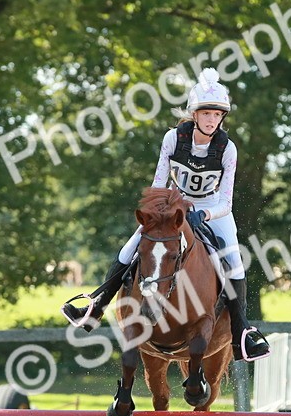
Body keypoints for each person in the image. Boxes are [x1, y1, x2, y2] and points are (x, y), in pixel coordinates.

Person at [60, 67, 270, 361]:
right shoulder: (173, 138)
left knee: (234, 262)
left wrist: (203, 216)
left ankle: (242, 332)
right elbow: (159, 183)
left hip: (213, 210)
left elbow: (226, 202)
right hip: (172, 204)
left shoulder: (228, 149)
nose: (212, 120)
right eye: (206, 114)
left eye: (217, 115)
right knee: (130, 247)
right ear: (194, 114)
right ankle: (96, 306)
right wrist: (166, 210)